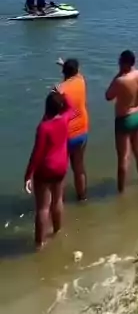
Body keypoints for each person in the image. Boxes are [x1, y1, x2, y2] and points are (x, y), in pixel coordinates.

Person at [24, 91, 73, 250]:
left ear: (46, 108)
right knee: (57, 200)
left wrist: (28, 174)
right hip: (61, 167)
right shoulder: (65, 119)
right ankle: (57, 231)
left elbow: (37, 153)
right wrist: (63, 94)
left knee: (43, 207)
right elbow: (71, 108)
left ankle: (40, 243)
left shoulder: (43, 127)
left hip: (45, 170)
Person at [105, 50, 138, 193]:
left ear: (125, 63)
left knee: (123, 157)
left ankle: (121, 191)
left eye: (120, 62)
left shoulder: (121, 80)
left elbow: (108, 96)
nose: (118, 64)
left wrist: (118, 74)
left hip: (124, 119)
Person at [56, 57, 89, 201]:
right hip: (82, 131)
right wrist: (64, 64)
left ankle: (58, 202)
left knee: (60, 171)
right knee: (79, 167)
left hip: (65, 135)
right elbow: (75, 73)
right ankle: (82, 198)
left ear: (64, 72)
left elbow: (52, 114)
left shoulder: (59, 90)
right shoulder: (81, 81)